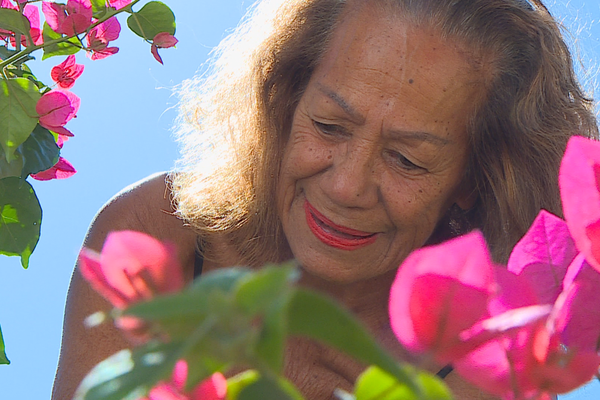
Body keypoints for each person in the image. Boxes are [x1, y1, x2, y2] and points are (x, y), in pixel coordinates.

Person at [51, 0, 598, 399]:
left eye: (407, 159)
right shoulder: (159, 232)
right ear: (284, 100)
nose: (346, 187)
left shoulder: (479, 375)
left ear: (473, 181)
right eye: (330, 125)